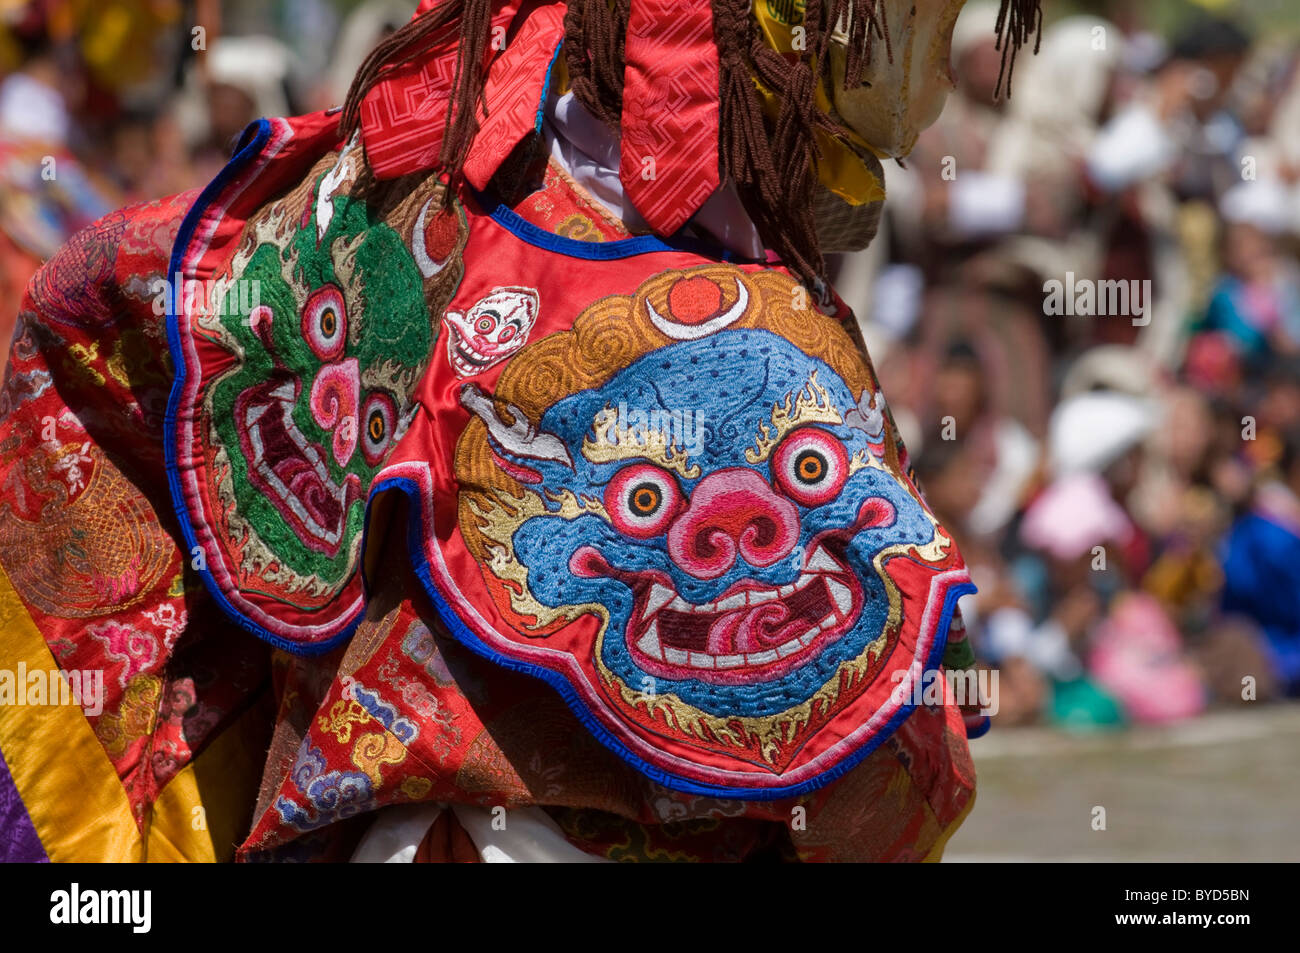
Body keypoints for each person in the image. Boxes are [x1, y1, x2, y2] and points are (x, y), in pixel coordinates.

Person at [0, 0, 1043, 862]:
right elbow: (884, 764)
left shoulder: (397, 209)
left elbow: (92, 295)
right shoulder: (770, 343)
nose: (931, 83)